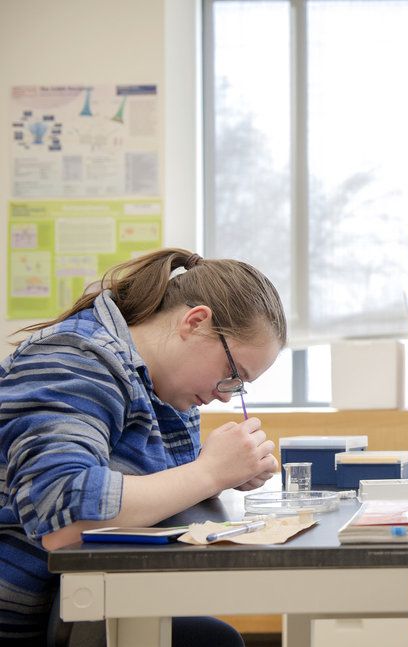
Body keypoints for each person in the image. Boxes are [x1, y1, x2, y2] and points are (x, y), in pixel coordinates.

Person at [0, 249, 287, 645]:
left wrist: (223, 475)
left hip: (88, 598)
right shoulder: (75, 356)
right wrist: (208, 473)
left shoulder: (163, 389)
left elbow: (156, 496)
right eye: (232, 375)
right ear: (196, 322)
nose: (227, 396)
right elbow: (63, 516)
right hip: (23, 612)